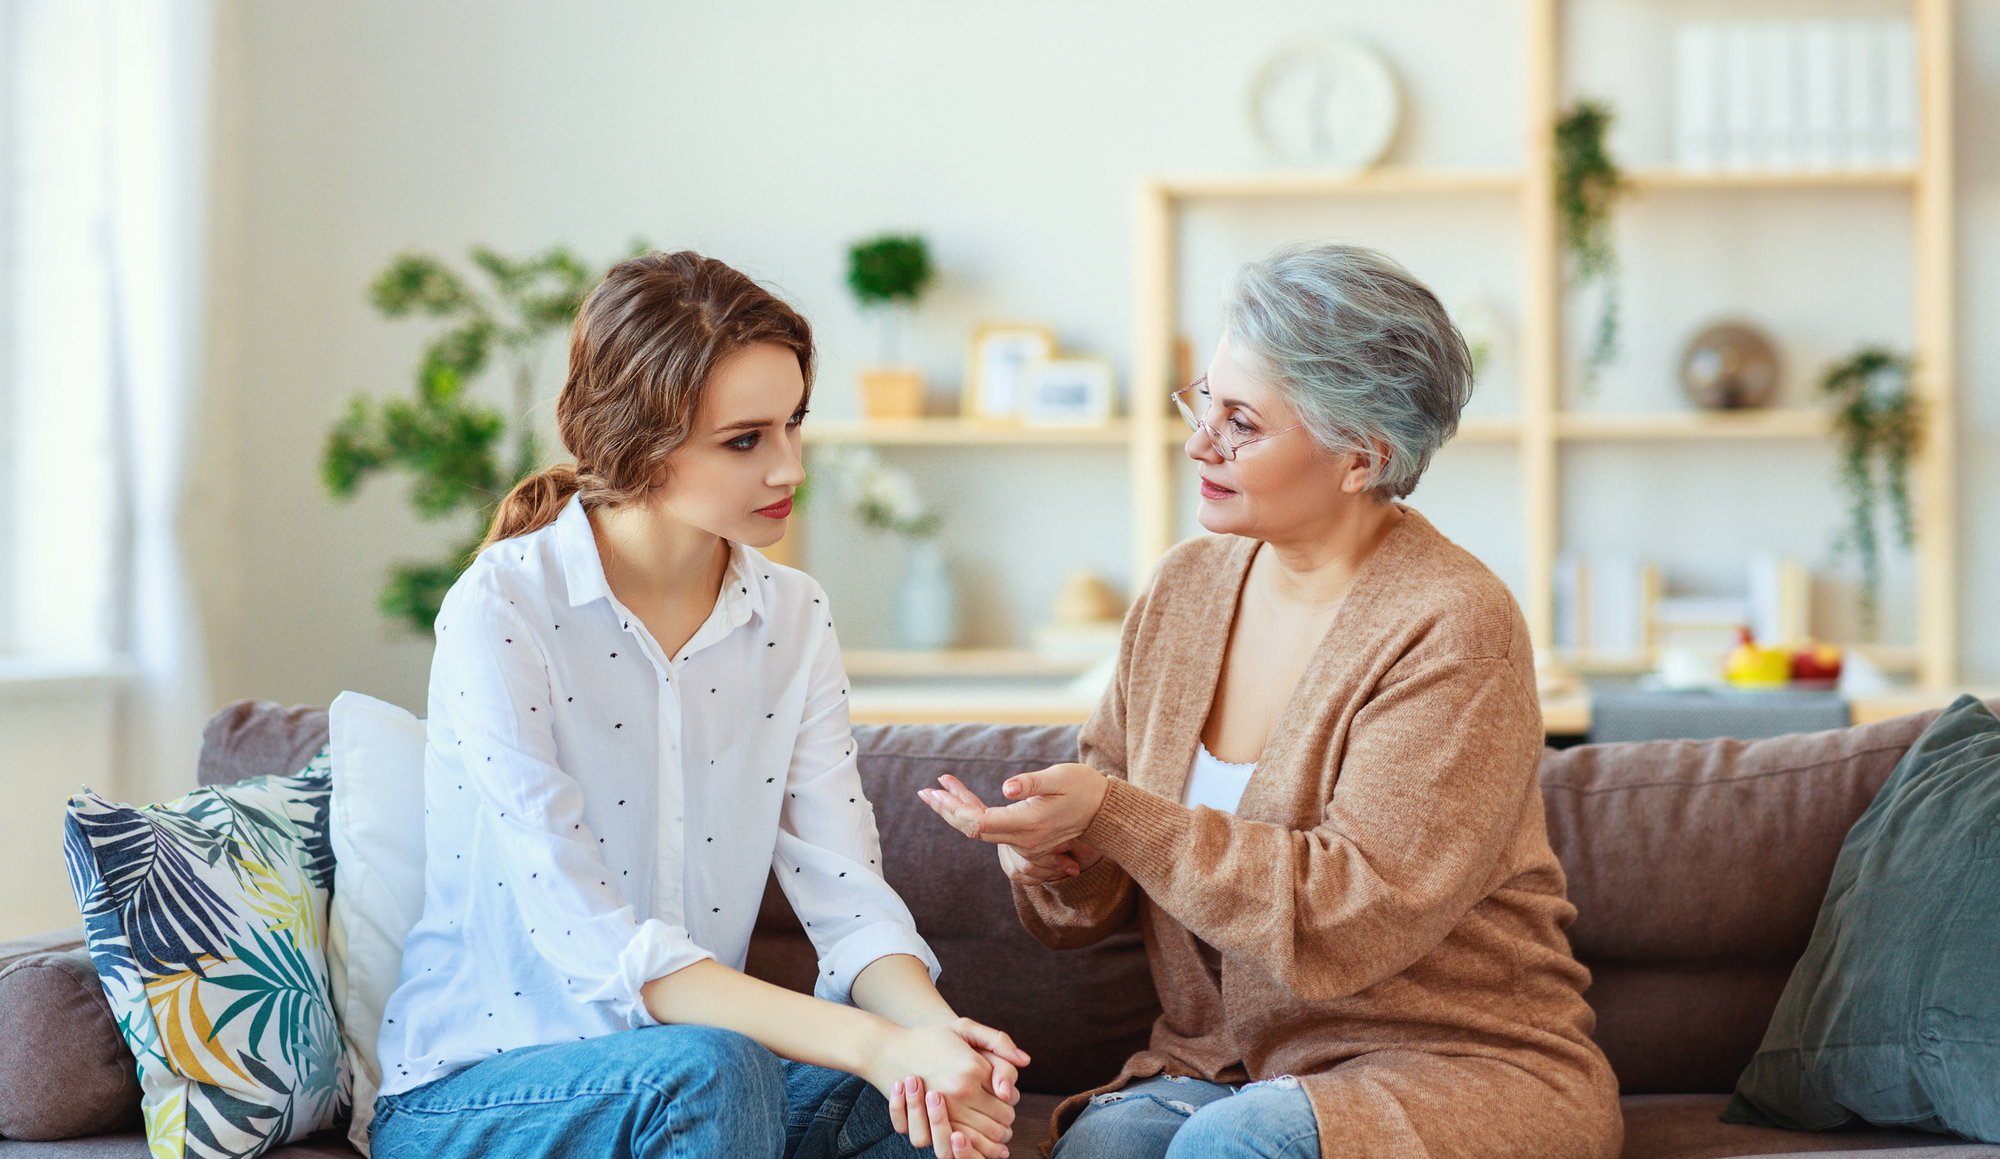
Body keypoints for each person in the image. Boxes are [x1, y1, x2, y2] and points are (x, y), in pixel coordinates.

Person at [920, 242, 1622, 1159]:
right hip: (1221, 1066)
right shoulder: (1182, 590)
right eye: (1203, 400)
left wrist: (1117, 813)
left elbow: (1351, 913)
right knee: (1104, 1146)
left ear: (1360, 456)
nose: (1198, 442)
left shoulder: (1453, 623)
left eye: (1241, 421)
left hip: (1452, 1063)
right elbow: (1103, 876)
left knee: (1236, 1146)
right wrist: (1056, 856)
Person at [371, 251, 1025, 1159]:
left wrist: (934, 1044)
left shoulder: (794, 617)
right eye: (745, 439)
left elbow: (849, 900)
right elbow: (596, 945)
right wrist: (875, 1043)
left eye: (794, 422)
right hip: (478, 1093)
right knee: (720, 1068)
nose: (789, 466)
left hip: (688, 1081)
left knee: (906, 1103)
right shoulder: (503, 607)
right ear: (641, 441)